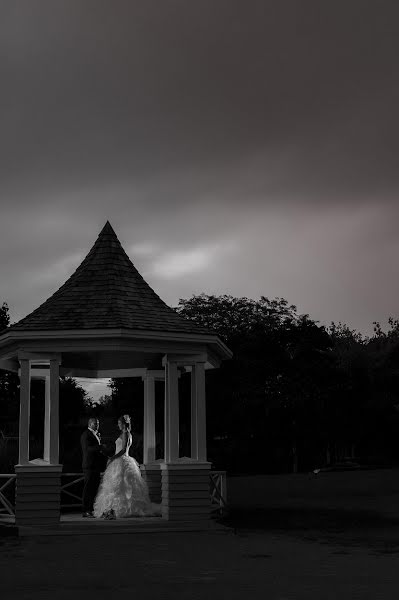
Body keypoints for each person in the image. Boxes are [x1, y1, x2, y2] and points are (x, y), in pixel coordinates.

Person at [93, 414, 159, 519]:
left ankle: (117, 510)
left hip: (121, 461)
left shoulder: (125, 434)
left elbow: (123, 450)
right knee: (118, 486)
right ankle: (112, 510)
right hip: (122, 460)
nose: (118, 425)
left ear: (124, 424)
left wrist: (112, 458)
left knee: (121, 486)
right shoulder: (126, 433)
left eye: (119, 423)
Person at [80, 417, 106, 518]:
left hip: (95, 466)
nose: (97, 425)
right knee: (88, 489)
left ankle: (90, 509)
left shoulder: (95, 434)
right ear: (90, 424)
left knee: (94, 488)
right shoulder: (86, 434)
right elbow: (88, 449)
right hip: (89, 465)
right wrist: (100, 446)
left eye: (98, 423)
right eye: (95, 424)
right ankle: (85, 510)